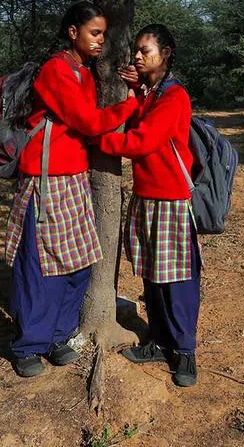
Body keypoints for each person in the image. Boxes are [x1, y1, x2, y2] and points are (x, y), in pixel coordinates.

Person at [4, 2, 140, 378]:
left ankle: (59, 336)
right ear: (72, 32)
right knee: (41, 265)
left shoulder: (83, 72)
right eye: (94, 33)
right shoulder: (55, 71)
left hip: (73, 177)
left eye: (102, 34)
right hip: (46, 178)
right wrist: (127, 107)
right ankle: (28, 345)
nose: (100, 41)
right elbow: (87, 122)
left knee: (78, 262)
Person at [97, 24, 200, 387]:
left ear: (166, 53)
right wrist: (136, 89)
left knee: (179, 280)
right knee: (152, 275)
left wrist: (99, 142)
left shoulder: (174, 97)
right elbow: (141, 118)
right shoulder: (153, 93)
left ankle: (185, 351)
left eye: (146, 51)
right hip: (147, 195)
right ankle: (158, 340)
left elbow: (143, 140)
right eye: (136, 51)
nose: (138, 56)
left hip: (170, 199)